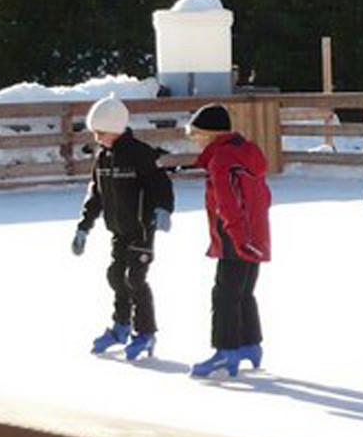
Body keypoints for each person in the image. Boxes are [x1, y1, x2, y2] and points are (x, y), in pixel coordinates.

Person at [72, 95, 175, 359]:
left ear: (116, 128)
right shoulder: (103, 157)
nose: (97, 138)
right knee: (116, 276)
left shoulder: (140, 154)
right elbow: (95, 194)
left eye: (101, 132)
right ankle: (121, 325)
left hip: (141, 228)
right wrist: (84, 227)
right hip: (118, 229)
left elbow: (160, 184)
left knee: (135, 278)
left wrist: (163, 209)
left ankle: (146, 332)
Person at [185, 104, 271, 379]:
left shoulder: (221, 159)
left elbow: (227, 203)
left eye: (196, 134)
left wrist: (236, 236)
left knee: (224, 294)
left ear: (210, 134)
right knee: (243, 292)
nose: (194, 140)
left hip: (236, 236)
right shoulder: (246, 152)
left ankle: (226, 353)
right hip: (255, 233)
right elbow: (264, 196)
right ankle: (250, 344)